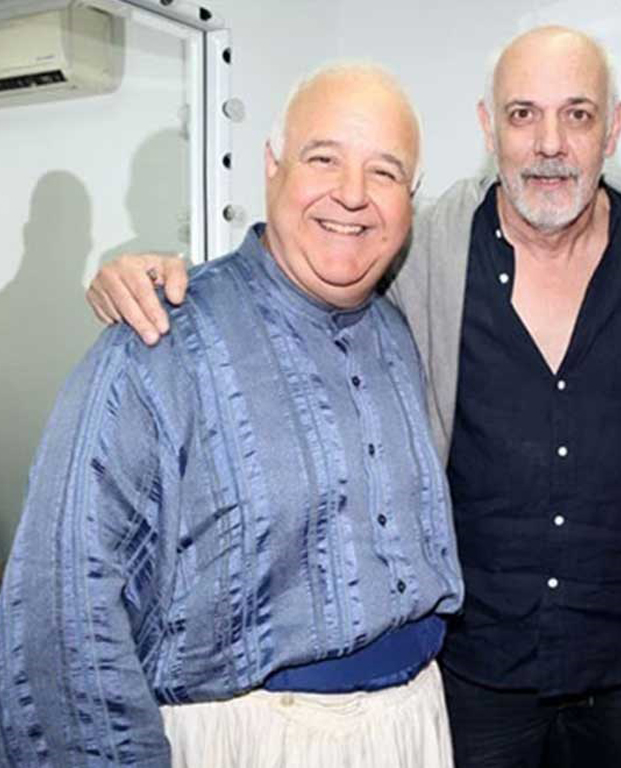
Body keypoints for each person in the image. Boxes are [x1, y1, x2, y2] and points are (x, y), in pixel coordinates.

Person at [84, 26, 621, 767]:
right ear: (488, 126)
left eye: (579, 114)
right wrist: (156, 278)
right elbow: (302, 272)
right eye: (523, 114)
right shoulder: (425, 249)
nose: (550, 143)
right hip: (472, 681)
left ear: (613, 129)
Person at [0, 63, 463, 767]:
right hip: (248, 741)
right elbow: (60, 603)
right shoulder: (157, 341)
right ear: (272, 166)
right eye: (323, 158)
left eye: (385, 172)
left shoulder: (400, 332)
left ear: (411, 199)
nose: (352, 193)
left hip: (416, 726)